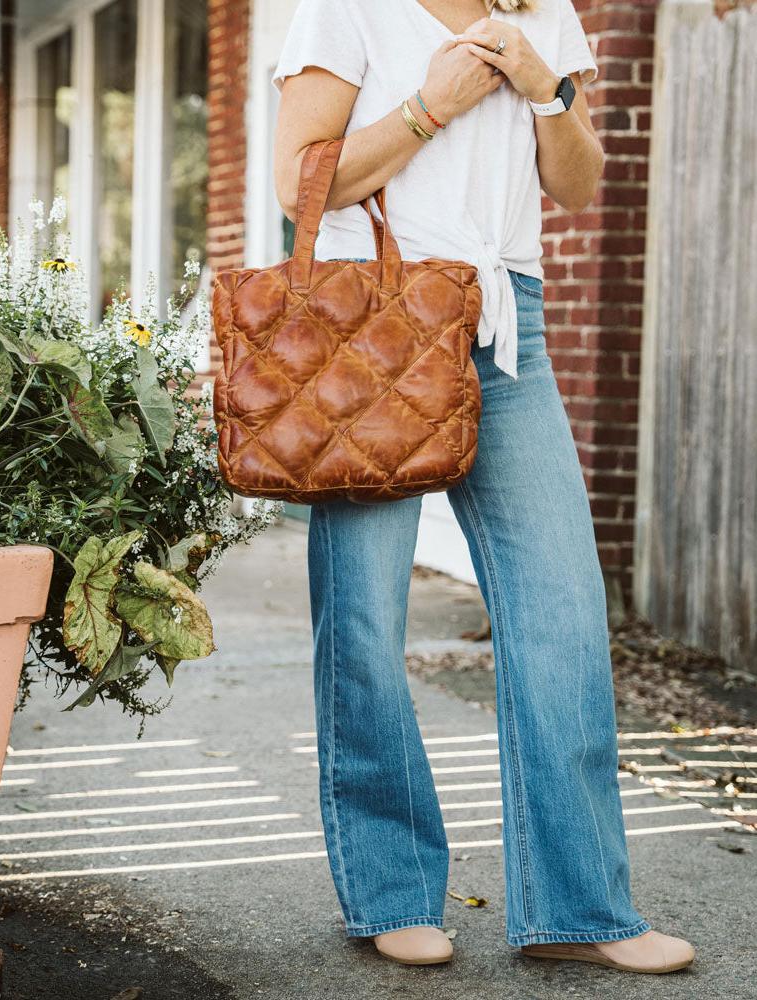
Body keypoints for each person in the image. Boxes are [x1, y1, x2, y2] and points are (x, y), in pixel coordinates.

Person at [272, 0, 696, 975]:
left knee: (562, 612)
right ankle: (390, 892)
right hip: (376, 317)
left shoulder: (543, 13)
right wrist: (432, 104)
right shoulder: (346, 8)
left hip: (510, 321)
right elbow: (300, 181)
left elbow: (578, 186)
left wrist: (545, 88)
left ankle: (580, 907)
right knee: (365, 619)